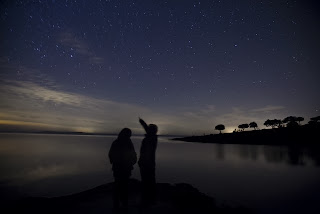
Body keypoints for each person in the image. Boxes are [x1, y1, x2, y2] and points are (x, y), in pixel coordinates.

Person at [109, 128, 137, 211]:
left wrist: (132, 162)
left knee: (120, 186)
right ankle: (121, 204)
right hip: (122, 169)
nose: (130, 135)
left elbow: (110, 155)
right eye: (129, 134)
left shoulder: (117, 142)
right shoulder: (126, 143)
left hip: (121, 169)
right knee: (122, 186)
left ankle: (119, 204)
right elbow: (111, 155)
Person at [138, 118, 158, 207]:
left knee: (148, 181)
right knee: (147, 181)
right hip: (145, 163)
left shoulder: (152, 138)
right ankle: (148, 199)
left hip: (148, 164)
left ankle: (149, 200)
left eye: (150, 129)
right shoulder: (151, 137)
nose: (148, 130)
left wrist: (143, 123)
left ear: (152, 131)